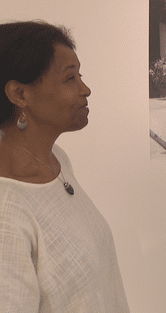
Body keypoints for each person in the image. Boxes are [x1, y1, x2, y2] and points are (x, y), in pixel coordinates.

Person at [0, 21, 129, 311]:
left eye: (79, 76)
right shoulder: (6, 212)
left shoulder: (56, 160)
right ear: (20, 94)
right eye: (70, 79)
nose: (86, 89)